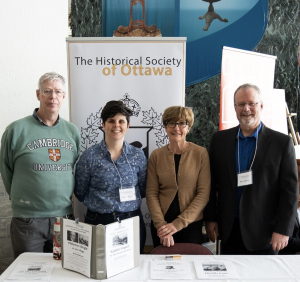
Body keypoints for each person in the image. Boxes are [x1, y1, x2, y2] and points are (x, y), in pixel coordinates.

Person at [204, 83, 299, 255]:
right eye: (241, 104)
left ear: (261, 106)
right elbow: (211, 184)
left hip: (266, 233)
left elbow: (290, 192)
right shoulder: (219, 140)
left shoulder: (281, 143)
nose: (246, 108)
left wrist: (284, 230)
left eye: (251, 103)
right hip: (228, 229)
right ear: (234, 107)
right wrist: (210, 219)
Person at [0, 72, 81, 258]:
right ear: (38, 94)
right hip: (28, 220)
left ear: (63, 96)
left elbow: (74, 169)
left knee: (62, 271)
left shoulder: (72, 131)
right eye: (47, 91)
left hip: (63, 218)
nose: (53, 97)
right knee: (29, 273)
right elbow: (6, 169)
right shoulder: (16, 130)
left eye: (58, 92)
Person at [74, 100, 147, 254]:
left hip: (131, 221)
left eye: (121, 121)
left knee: (132, 272)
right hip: (99, 222)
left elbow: (144, 188)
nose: (116, 125)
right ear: (103, 125)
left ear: (128, 126)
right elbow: (80, 192)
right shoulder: (89, 156)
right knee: (100, 271)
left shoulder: (138, 155)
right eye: (111, 121)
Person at [146, 106, 211, 248]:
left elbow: (203, 193)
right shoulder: (156, 155)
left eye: (182, 123)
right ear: (165, 127)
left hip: (191, 225)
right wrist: (162, 226)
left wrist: (176, 225)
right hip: (161, 225)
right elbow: (151, 193)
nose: (176, 128)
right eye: (171, 123)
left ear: (189, 127)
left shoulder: (200, 154)